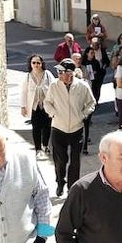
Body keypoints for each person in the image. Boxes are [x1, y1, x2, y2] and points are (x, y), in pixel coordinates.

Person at [43, 59, 96, 197]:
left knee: (75, 161)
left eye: (61, 71)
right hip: (58, 129)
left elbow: (91, 103)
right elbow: (47, 103)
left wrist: (83, 115)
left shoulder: (82, 86)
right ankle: (60, 181)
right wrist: (53, 113)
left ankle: (73, 187)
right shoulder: (54, 85)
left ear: (70, 73)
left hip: (76, 129)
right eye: (59, 72)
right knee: (60, 160)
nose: (59, 74)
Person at [20, 55, 53, 158]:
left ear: (42, 63)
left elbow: (54, 88)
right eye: (33, 63)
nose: (36, 65)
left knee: (47, 127)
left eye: (38, 63)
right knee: (36, 128)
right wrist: (23, 106)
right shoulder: (27, 76)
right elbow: (24, 92)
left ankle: (45, 145)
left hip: (46, 105)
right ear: (30, 64)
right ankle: (38, 149)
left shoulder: (47, 74)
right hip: (34, 106)